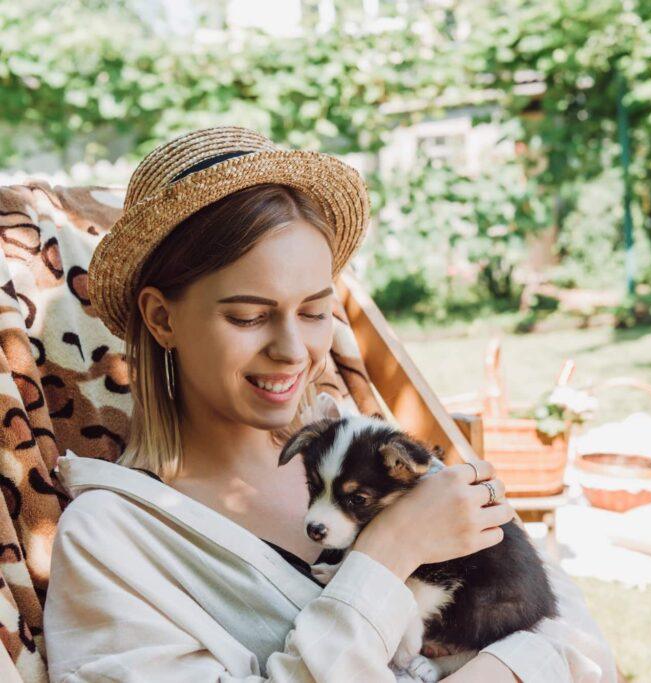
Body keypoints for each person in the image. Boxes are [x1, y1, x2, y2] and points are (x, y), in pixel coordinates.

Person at [42, 127, 617, 682]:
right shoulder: (114, 540)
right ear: (162, 318)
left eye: (316, 312)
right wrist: (388, 555)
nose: (293, 351)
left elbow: (576, 637)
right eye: (248, 316)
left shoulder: (366, 455)